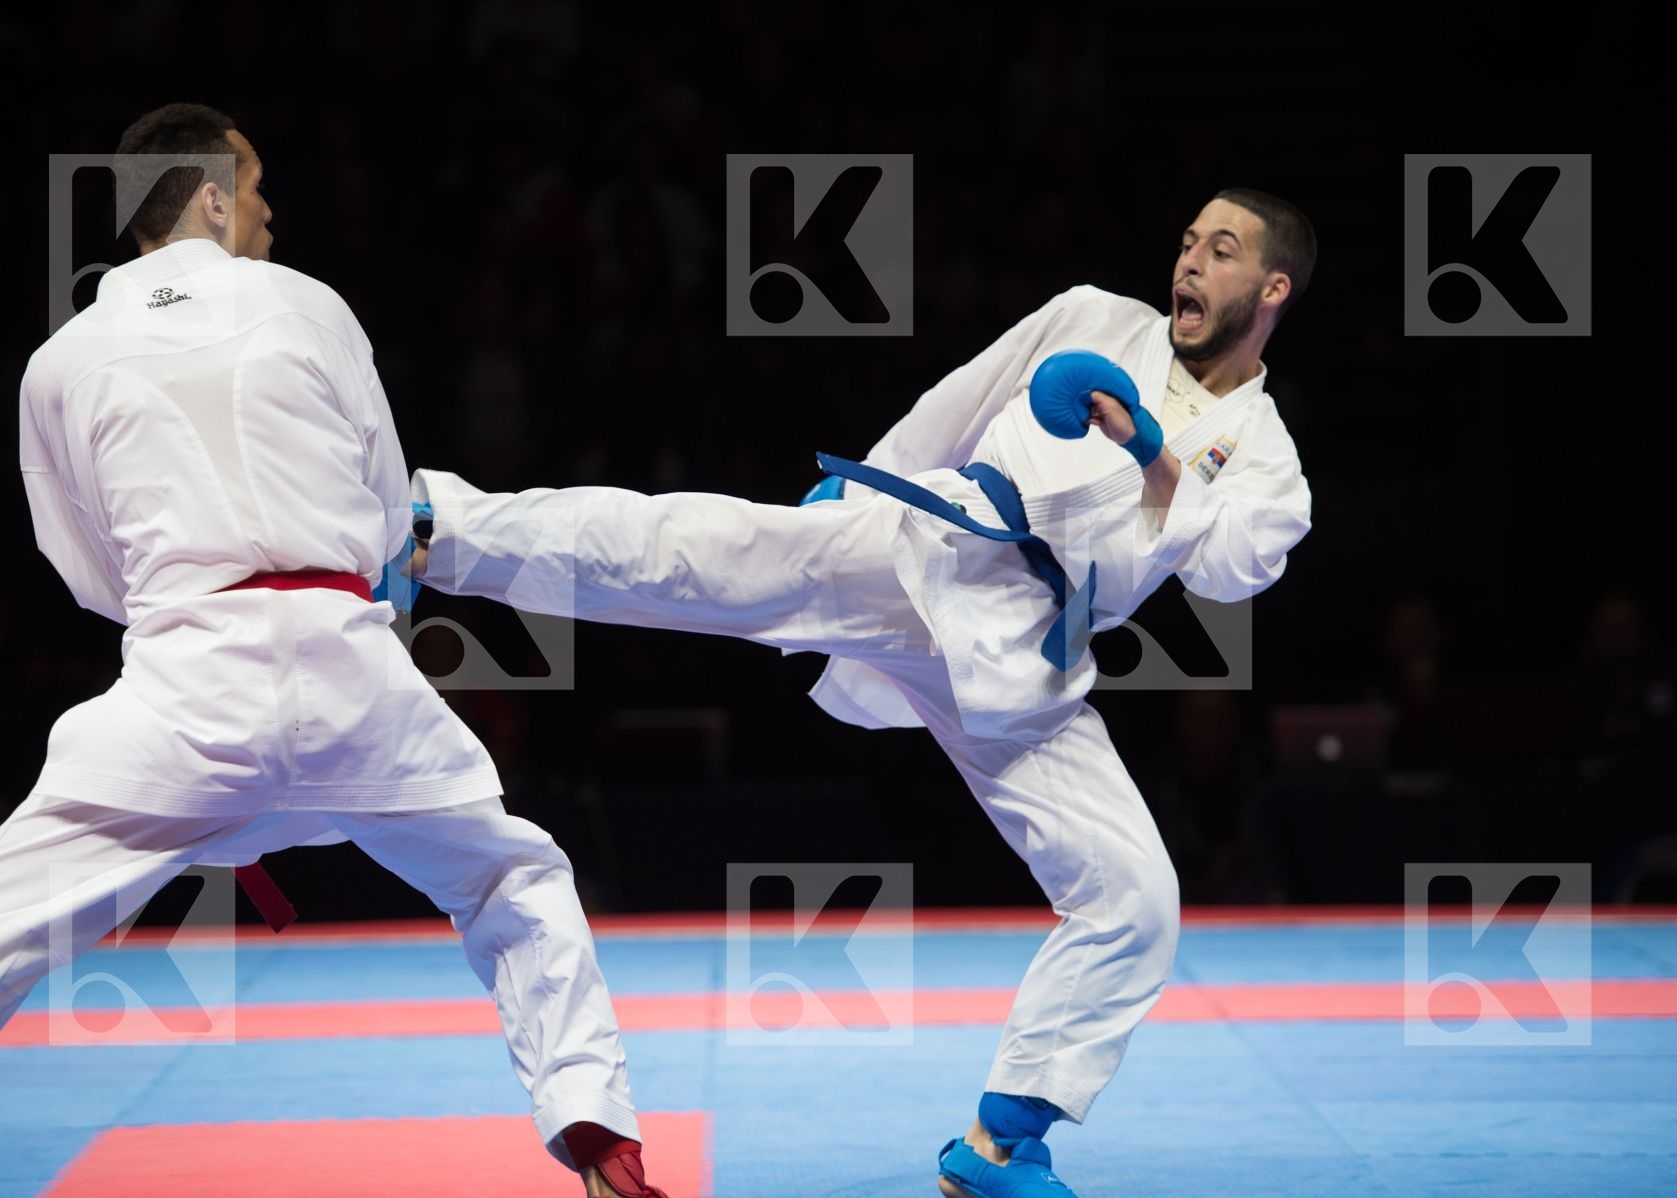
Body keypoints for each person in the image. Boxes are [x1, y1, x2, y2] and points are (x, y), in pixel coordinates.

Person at [409, 189, 1316, 1198]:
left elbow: (1232, 569)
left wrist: (1150, 449)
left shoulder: (1268, 458)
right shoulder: (1097, 316)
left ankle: (1001, 1143)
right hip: (928, 551)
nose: (1190, 262)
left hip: (1027, 658)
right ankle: (440, 526)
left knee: (1134, 895)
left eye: (1221, 250)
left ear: (1273, 287)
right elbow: (960, 403)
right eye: (1187, 240)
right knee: (692, 552)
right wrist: (868, 484)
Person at [0, 104, 668, 1198]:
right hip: (351, 672)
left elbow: (82, 570)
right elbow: (389, 514)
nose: (269, 212)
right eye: (258, 187)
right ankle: (601, 1143)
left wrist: (191, 602)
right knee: (513, 878)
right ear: (212, 197)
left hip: (181, 689)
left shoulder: (58, 362)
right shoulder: (311, 304)